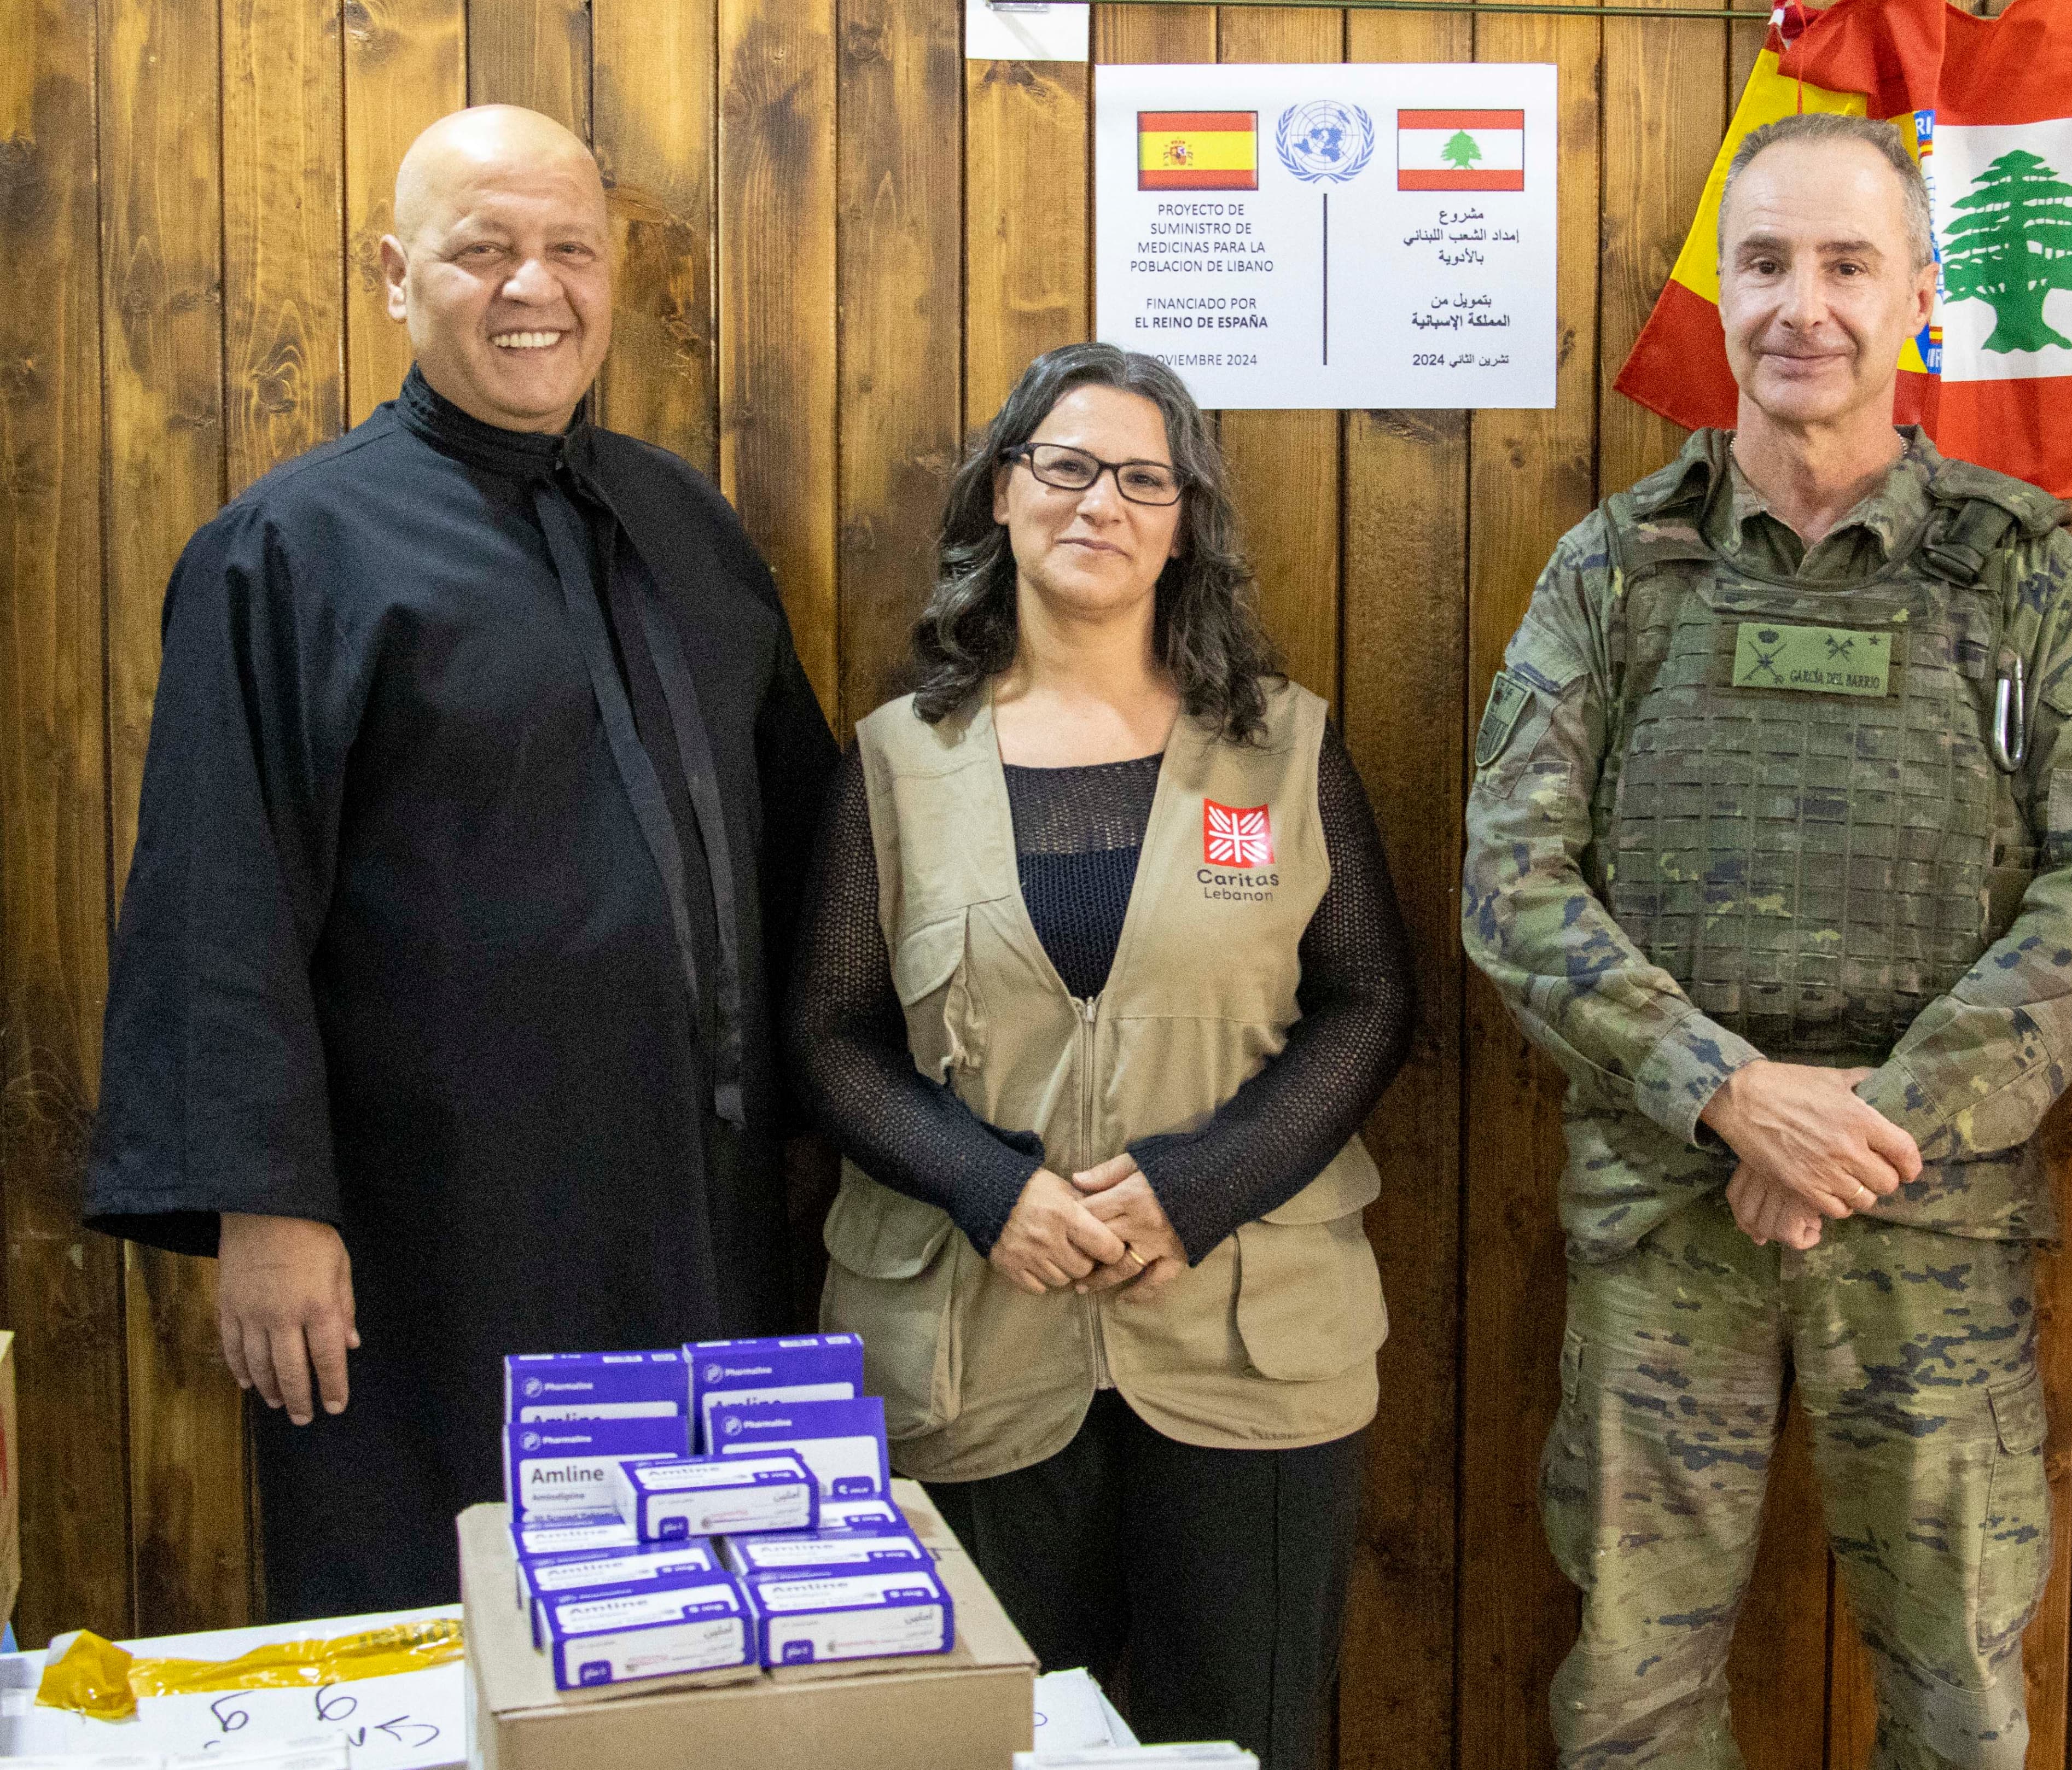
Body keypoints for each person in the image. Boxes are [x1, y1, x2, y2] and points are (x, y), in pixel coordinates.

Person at [1462, 112, 2072, 1769]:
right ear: (1724, 295)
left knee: (1960, 1700)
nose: (1803, 306)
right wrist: (1729, 1094)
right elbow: (1512, 879)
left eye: (1849, 264)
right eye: (1764, 263)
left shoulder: (2015, 571)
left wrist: (1867, 1125)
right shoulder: (1620, 571)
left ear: (1921, 296)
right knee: (1630, 1698)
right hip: (1670, 1216)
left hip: (1937, 1228)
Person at [84, 106, 841, 1620]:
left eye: (569, 250)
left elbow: (810, 837)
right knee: (439, 1611)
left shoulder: (687, 526)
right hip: (429, 1228)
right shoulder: (288, 549)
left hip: (698, 1204)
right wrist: (264, 1208)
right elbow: (216, 903)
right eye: (481, 250)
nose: (532, 288)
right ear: (393, 274)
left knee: (700, 1618)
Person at [789, 342, 1412, 1768]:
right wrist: (987, 1186)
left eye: (1144, 477)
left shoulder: (1284, 748)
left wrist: (1204, 1182)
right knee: (984, 1749)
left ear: (1184, 521)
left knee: (1242, 1748)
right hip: (970, 1356)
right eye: (1064, 466)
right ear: (1001, 495)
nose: (1100, 503)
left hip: (1250, 1358)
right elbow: (831, 1035)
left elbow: (1372, 999)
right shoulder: (893, 760)